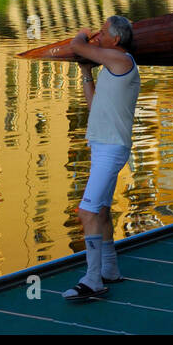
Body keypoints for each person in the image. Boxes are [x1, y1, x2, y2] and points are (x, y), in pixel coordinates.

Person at [62, 15, 139, 302]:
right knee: (102, 211)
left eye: (102, 32)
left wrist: (81, 34)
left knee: (87, 213)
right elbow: (95, 105)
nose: (97, 36)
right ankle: (109, 270)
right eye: (96, 33)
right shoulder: (111, 66)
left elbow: (77, 45)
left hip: (111, 148)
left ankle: (92, 280)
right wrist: (86, 74)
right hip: (102, 146)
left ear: (115, 40)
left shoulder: (122, 61)